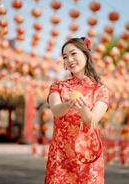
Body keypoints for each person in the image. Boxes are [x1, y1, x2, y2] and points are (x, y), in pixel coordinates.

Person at [45, 37, 110, 184]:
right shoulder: (58, 86)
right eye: (65, 57)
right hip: (60, 159)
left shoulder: (100, 90)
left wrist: (83, 109)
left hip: (88, 158)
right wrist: (68, 104)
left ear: (85, 54)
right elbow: (56, 110)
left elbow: (92, 120)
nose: (70, 59)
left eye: (73, 54)